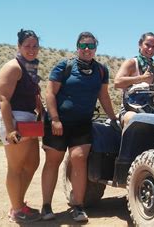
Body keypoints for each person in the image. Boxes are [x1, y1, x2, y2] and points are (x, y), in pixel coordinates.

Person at [41, 31, 117, 223]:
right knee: (53, 162)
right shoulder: (64, 66)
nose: (87, 49)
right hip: (58, 123)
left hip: (82, 124)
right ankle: (46, 206)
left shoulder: (101, 70)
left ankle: (78, 206)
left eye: (91, 46)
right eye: (83, 46)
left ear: (95, 49)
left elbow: (104, 96)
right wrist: (55, 119)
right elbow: (50, 93)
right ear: (77, 47)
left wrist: (114, 119)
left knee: (79, 160)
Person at [0, 29, 42, 223]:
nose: (31, 49)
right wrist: (11, 129)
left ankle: (19, 203)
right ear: (19, 46)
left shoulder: (30, 67)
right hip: (12, 120)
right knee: (15, 167)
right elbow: (3, 99)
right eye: (27, 46)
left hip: (28, 121)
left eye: (35, 46)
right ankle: (16, 209)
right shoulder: (13, 67)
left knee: (32, 164)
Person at [114, 32, 154, 129]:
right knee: (133, 119)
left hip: (150, 110)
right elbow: (117, 82)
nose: (150, 49)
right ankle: (128, 144)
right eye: (147, 45)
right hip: (129, 110)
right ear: (140, 44)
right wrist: (141, 78)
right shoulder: (131, 63)